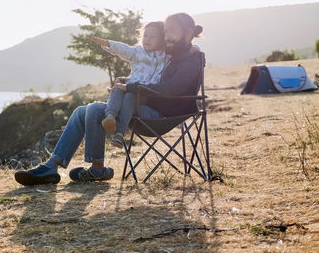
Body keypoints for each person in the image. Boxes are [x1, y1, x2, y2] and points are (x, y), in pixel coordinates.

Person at [14, 13, 204, 186]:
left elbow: (171, 89)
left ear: (187, 34)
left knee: (96, 109)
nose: (166, 35)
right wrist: (129, 81)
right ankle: (51, 166)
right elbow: (149, 72)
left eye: (172, 31)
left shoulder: (190, 59)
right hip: (141, 105)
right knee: (81, 111)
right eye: (165, 31)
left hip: (161, 116)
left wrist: (131, 87)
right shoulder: (171, 54)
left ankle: (97, 169)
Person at [91, 21, 168, 149]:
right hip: (129, 85)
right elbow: (124, 49)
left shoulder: (165, 56)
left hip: (144, 92)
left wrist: (195, 49)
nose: (147, 39)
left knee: (129, 96)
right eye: (145, 35)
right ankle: (110, 116)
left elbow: (181, 51)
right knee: (117, 88)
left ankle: (120, 133)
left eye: (152, 36)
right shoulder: (138, 52)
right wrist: (109, 43)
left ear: (162, 40)